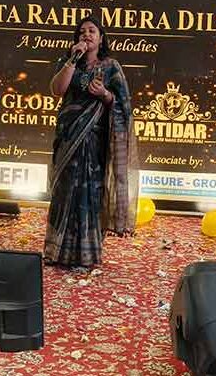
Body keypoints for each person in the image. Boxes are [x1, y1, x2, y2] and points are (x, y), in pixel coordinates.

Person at [44, 16, 137, 267]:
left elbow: (124, 106)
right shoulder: (68, 62)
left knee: (89, 194)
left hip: (94, 141)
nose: (86, 34)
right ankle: (57, 252)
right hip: (68, 137)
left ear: (101, 38)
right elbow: (57, 90)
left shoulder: (111, 67)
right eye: (82, 31)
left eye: (92, 31)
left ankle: (87, 254)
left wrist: (105, 94)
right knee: (64, 191)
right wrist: (72, 60)